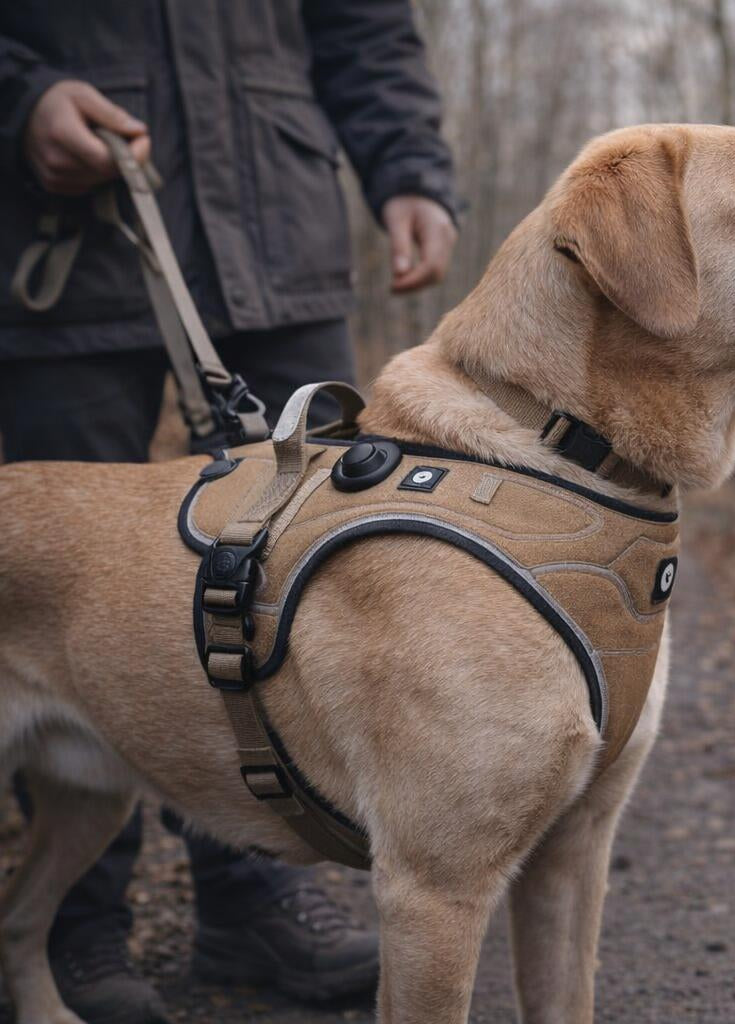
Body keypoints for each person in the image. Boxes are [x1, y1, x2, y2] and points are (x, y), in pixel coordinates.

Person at [0, 4, 458, 1022]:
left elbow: (363, 22)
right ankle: (76, 927)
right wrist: (19, 95)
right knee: (68, 593)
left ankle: (255, 898)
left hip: (277, 235)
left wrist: (410, 168)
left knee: (312, 582)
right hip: (53, 236)